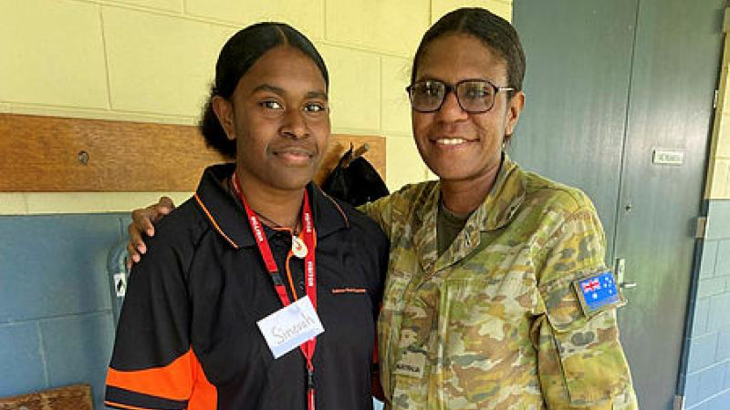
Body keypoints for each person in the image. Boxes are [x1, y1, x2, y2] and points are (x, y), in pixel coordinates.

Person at [126, 8, 638, 409]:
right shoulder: (393, 220)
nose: (450, 113)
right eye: (430, 92)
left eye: (478, 93)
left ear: (512, 112)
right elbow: (291, 218)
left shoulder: (554, 220)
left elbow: (596, 394)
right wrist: (176, 228)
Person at [105, 22, 388, 410]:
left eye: (313, 106)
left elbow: (389, 378)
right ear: (227, 116)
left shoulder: (361, 239)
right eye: (270, 103)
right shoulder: (175, 250)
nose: (296, 126)